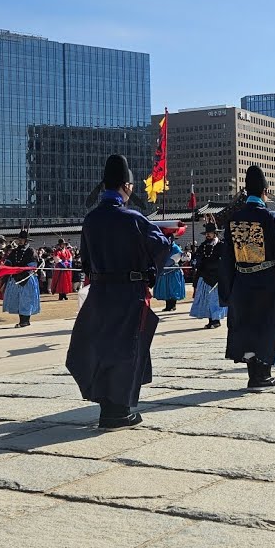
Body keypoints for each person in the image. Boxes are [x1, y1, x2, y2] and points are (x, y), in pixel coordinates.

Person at [67, 154, 175, 429]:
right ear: (126, 186)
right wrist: (151, 272)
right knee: (127, 348)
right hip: (129, 292)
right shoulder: (132, 218)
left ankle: (107, 405)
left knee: (102, 346)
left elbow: (86, 260)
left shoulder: (91, 220)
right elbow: (161, 247)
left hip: (101, 293)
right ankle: (118, 410)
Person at [217, 165, 275, 389]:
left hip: (242, 283)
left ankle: (253, 374)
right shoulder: (273, 219)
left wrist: (227, 291)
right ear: (265, 191)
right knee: (267, 327)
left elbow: (226, 259)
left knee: (246, 328)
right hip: (269, 283)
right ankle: (263, 375)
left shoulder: (234, 220)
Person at [188, 223, 227, 329]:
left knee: (215, 299)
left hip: (216, 277)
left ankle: (216, 320)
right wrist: (195, 261)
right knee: (206, 299)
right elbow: (198, 257)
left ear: (215, 234)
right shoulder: (203, 245)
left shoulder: (221, 245)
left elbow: (225, 260)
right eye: (206, 233)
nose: (207, 235)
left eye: (209, 233)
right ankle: (210, 320)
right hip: (204, 275)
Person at [3, 230, 41, 328]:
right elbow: (9, 262)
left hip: (27, 278)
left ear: (26, 241)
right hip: (15, 278)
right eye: (19, 239)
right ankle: (22, 320)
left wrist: (23, 273)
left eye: (22, 239)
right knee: (18, 299)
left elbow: (32, 265)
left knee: (26, 299)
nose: (20, 241)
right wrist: (5, 268)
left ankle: (25, 320)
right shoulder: (14, 251)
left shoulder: (31, 251)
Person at [153, 238, 186, 311]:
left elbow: (175, 259)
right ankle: (168, 305)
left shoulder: (175, 248)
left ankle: (173, 305)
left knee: (173, 288)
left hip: (173, 272)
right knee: (166, 289)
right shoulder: (164, 248)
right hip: (165, 271)